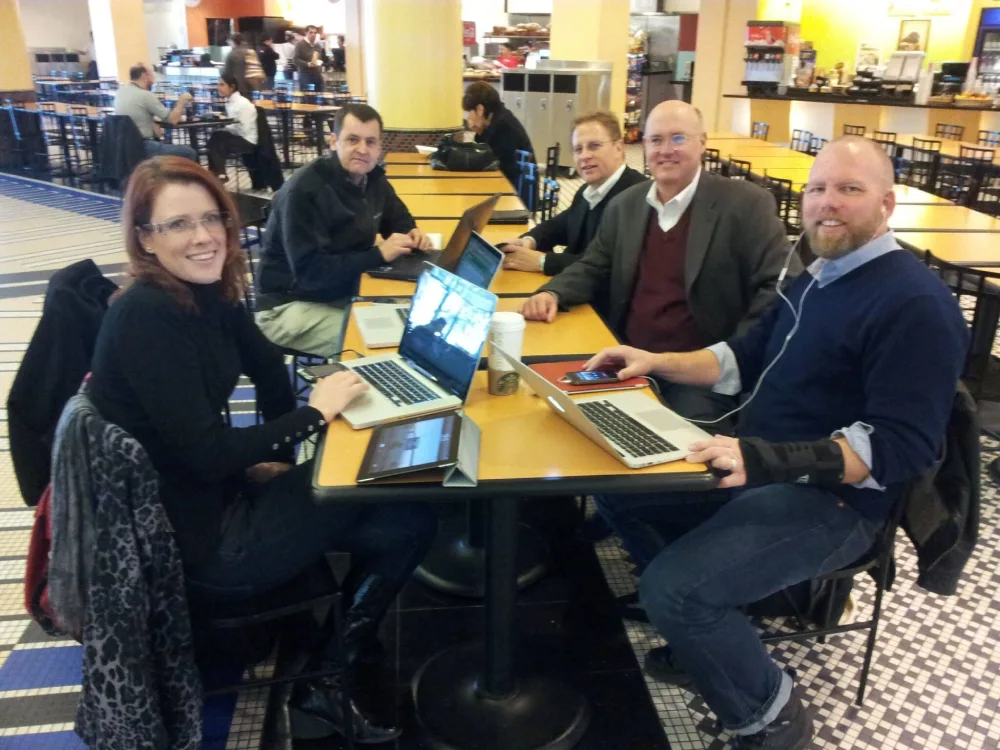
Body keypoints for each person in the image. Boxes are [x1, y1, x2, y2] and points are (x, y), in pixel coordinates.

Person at [585, 136, 968, 750]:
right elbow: (741, 356)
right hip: (760, 467)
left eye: (849, 189)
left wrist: (760, 458)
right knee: (615, 488)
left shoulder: (916, 303)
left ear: (887, 204)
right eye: (817, 189)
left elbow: (901, 448)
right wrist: (653, 360)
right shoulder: (817, 277)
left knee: (673, 592)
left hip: (835, 503)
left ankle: (774, 719)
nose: (826, 203)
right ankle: (709, 624)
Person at [87, 156, 436, 743]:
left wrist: (283, 453)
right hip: (202, 545)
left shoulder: (205, 291)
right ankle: (325, 681)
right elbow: (207, 454)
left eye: (212, 219)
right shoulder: (146, 316)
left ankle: (330, 666)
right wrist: (313, 415)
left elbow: (268, 367)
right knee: (392, 495)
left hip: (220, 494)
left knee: (410, 519)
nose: (203, 237)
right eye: (178, 225)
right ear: (145, 239)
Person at [520, 100, 795, 431]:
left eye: (678, 138)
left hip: (692, 375)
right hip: (625, 358)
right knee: (554, 420)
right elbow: (594, 264)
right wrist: (552, 292)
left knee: (683, 452)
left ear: (702, 142)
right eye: (656, 140)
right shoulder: (626, 206)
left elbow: (782, 286)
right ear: (644, 146)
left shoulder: (745, 204)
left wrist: (735, 353)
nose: (666, 150)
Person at [255, 104, 431, 357]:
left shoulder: (372, 179)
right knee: (387, 344)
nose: (362, 149)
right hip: (287, 305)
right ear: (333, 142)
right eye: (352, 140)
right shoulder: (305, 191)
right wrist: (378, 255)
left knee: (416, 321)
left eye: (370, 142)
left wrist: (412, 232)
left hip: (338, 290)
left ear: (379, 148)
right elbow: (310, 273)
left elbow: (398, 219)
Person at [499, 111, 647, 283]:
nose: (584, 156)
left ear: (619, 148)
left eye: (594, 146)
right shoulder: (587, 191)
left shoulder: (637, 197)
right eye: (578, 149)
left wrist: (543, 262)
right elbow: (560, 225)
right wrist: (528, 241)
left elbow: (609, 266)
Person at [462, 81, 535, 202]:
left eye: (469, 112)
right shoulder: (498, 117)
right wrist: (479, 131)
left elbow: (490, 159)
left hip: (518, 192)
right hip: (509, 182)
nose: (468, 117)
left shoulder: (503, 124)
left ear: (480, 109)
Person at [114, 64, 196, 161]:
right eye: (152, 76)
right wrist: (182, 100)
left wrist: (151, 122)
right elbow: (173, 120)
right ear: (144, 76)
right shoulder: (145, 95)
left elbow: (135, 116)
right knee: (189, 152)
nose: (154, 81)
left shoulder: (120, 93)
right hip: (143, 147)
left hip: (122, 148)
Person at [206, 74, 258, 182]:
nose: (218, 88)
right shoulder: (229, 102)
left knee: (217, 140)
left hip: (248, 140)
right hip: (238, 136)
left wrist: (226, 128)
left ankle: (217, 175)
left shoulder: (243, 103)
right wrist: (226, 127)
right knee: (215, 138)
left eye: (222, 85)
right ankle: (218, 174)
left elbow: (244, 130)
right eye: (218, 85)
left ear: (232, 87)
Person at [222, 33, 265, 97]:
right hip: (252, 86)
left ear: (233, 42)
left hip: (239, 87)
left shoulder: (232, 54)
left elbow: (226, 73)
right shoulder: (251, 51)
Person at [295, 25, 325, 92]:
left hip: (317, 75)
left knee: (320, 95)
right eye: (311, 32)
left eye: (315, 33)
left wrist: (321, 69)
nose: (313, 34)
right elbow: (295, 60)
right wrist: (307, 64)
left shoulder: (317, 45)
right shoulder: (300, 44)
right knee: (307, 95)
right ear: (306, 33)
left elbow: (320, 59)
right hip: (305, 75)